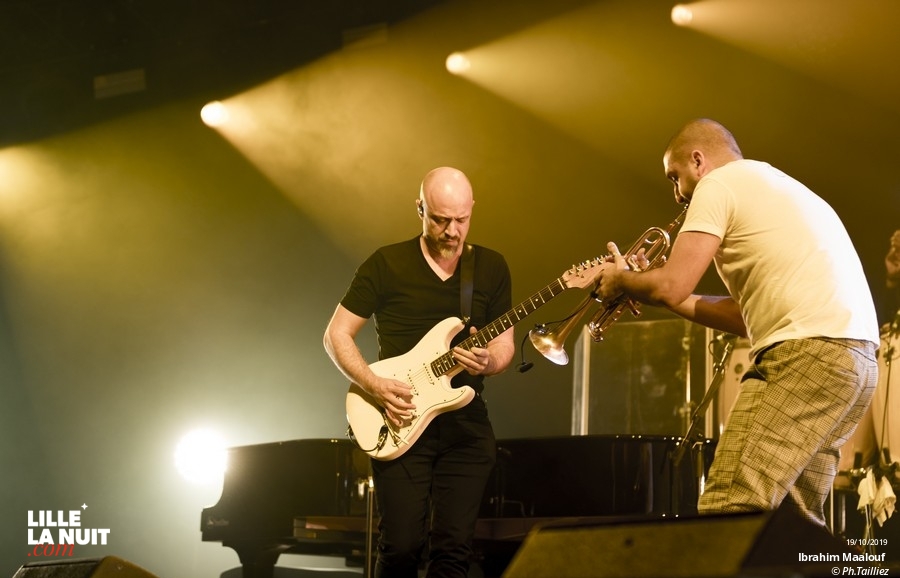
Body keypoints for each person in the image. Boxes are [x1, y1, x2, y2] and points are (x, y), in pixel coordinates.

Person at [595, 118, 880, 527]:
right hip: (854, 363)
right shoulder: (779, 186)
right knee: (792, 526)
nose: (677, 194)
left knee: (730, 510)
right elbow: (742, 316)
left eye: (675, 177)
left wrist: (623, 279)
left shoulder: (717, 184)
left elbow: (672, 285)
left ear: (698, 160)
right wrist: (653, 290)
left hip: (806, 356)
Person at [323, 166, 515, 578]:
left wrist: (489, 362)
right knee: (403, 547)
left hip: (464, 426)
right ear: (420, 209)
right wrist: (374, 385)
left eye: (461, 220)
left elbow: (504, 347)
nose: (452, 231)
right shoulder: (386, 263)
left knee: (454, 552)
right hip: (400, 416)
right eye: (440, 219)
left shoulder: (491, 267)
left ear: (472, 211)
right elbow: (336, 335)